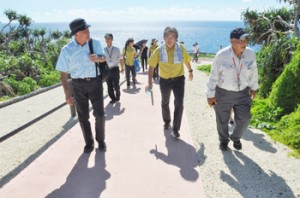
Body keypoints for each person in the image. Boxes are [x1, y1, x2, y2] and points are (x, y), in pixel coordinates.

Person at [56, 18, 107, 153]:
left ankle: (101, 141)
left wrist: (99, 58)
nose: (88, 32)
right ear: (76, 34)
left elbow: (104, 58)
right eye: (85, 31)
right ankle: (89, 143)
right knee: (83, 117)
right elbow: (63, 73)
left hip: (95, 82)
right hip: (77, 85)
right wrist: (67, 93)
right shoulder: (67, 50)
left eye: (88, 29)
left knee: (100, 114)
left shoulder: (95, 43)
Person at [206, 28, 259, 151]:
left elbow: (254, 71)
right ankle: (223, 141)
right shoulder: (221, 55)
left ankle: (235, 137)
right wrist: (210, 95)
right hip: (223, 93)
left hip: (243, 93)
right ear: (232, 41)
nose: (244, 42)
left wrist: (254, 88)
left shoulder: (250, 54)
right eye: (241, 40)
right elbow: (213, 76)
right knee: (222, 120)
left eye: (246, 39)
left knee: (245, 119)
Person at [147, 26, 193, 138]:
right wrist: (150, 82)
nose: (169, 38)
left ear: (176, 38)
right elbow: (152, 66)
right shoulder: (159, 50)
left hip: (178, 80)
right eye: (167, 36)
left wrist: (190, 71)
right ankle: (167, 122)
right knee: (165, 102)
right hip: (165, 81)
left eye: (172, 36)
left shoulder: (181, 48)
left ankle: (176, 129)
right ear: (163, 37)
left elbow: (186, 60)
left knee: (179, 104)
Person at [104, 33, 124, 104]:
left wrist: (122, 68)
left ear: (112, 39)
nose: (107, 40)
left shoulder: (116, 49)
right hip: (107, 70)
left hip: (115, 69)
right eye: (106, 38)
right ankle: (112, 98)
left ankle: (118, 96)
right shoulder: (103, 50)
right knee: (109, 86)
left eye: (109, 38)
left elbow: (121, 59)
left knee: (116, 85)